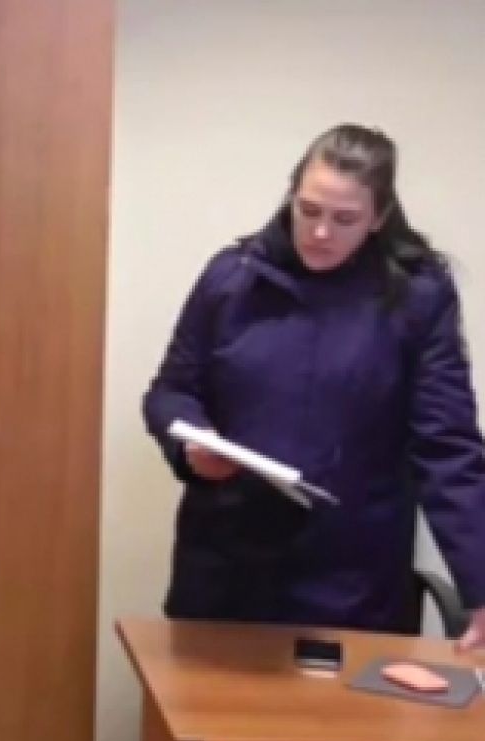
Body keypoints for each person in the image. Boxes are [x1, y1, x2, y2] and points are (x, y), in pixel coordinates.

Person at [143, 124, 485, 646]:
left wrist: (480, 586)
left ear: (379, 218)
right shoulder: (232, 278)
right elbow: (171, 390)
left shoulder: (417, 297)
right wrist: (189, 443)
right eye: (308, 210)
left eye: (344, 219)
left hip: (353, 582)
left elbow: (448, 446)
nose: (321, 232)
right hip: (226, 571)